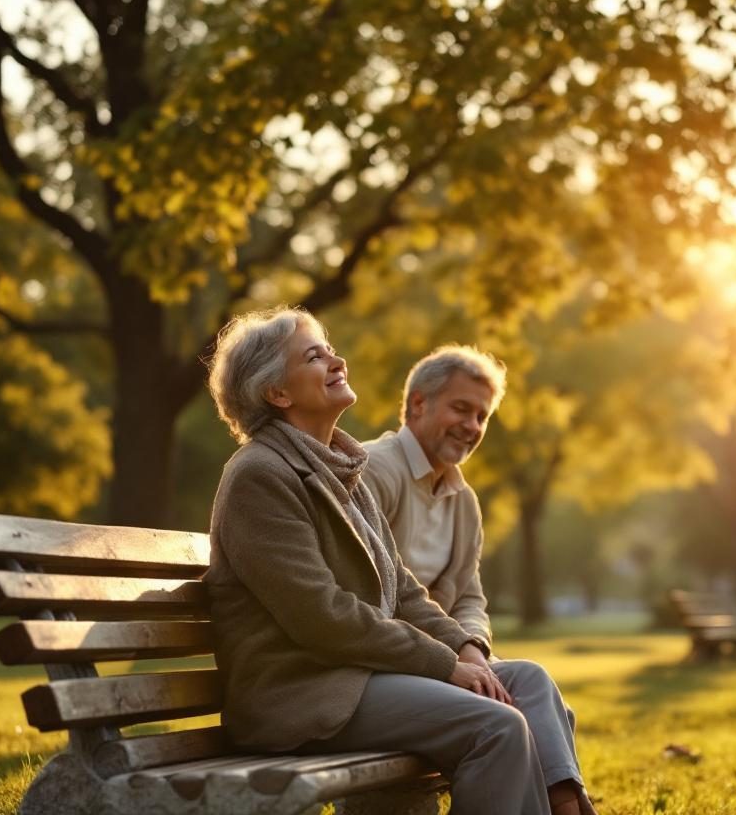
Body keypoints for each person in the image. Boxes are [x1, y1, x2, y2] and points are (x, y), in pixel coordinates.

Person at [204, 307, 589, 815]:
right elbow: (320, 616)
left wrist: (464, 648)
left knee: (528, 681)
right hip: (303, 694)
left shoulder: (340, 471)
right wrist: (442, 665)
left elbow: (403, 591)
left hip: (353, 676)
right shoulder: (260, 474)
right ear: (278, 393)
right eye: (315, 355)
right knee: (495, 725)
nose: (337, 359)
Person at [363, 346, 596, 815]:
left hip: (445, 660)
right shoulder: (374, 471)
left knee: (529, 678)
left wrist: (476, 648)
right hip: (383, 664)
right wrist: (457, 653)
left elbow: (469, 595)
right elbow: (376, 595)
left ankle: (568, 804)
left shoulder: (462, 499)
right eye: (461, 408)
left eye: (482, 416)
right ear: (417, 405)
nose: (472, 426)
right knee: (504, 721)